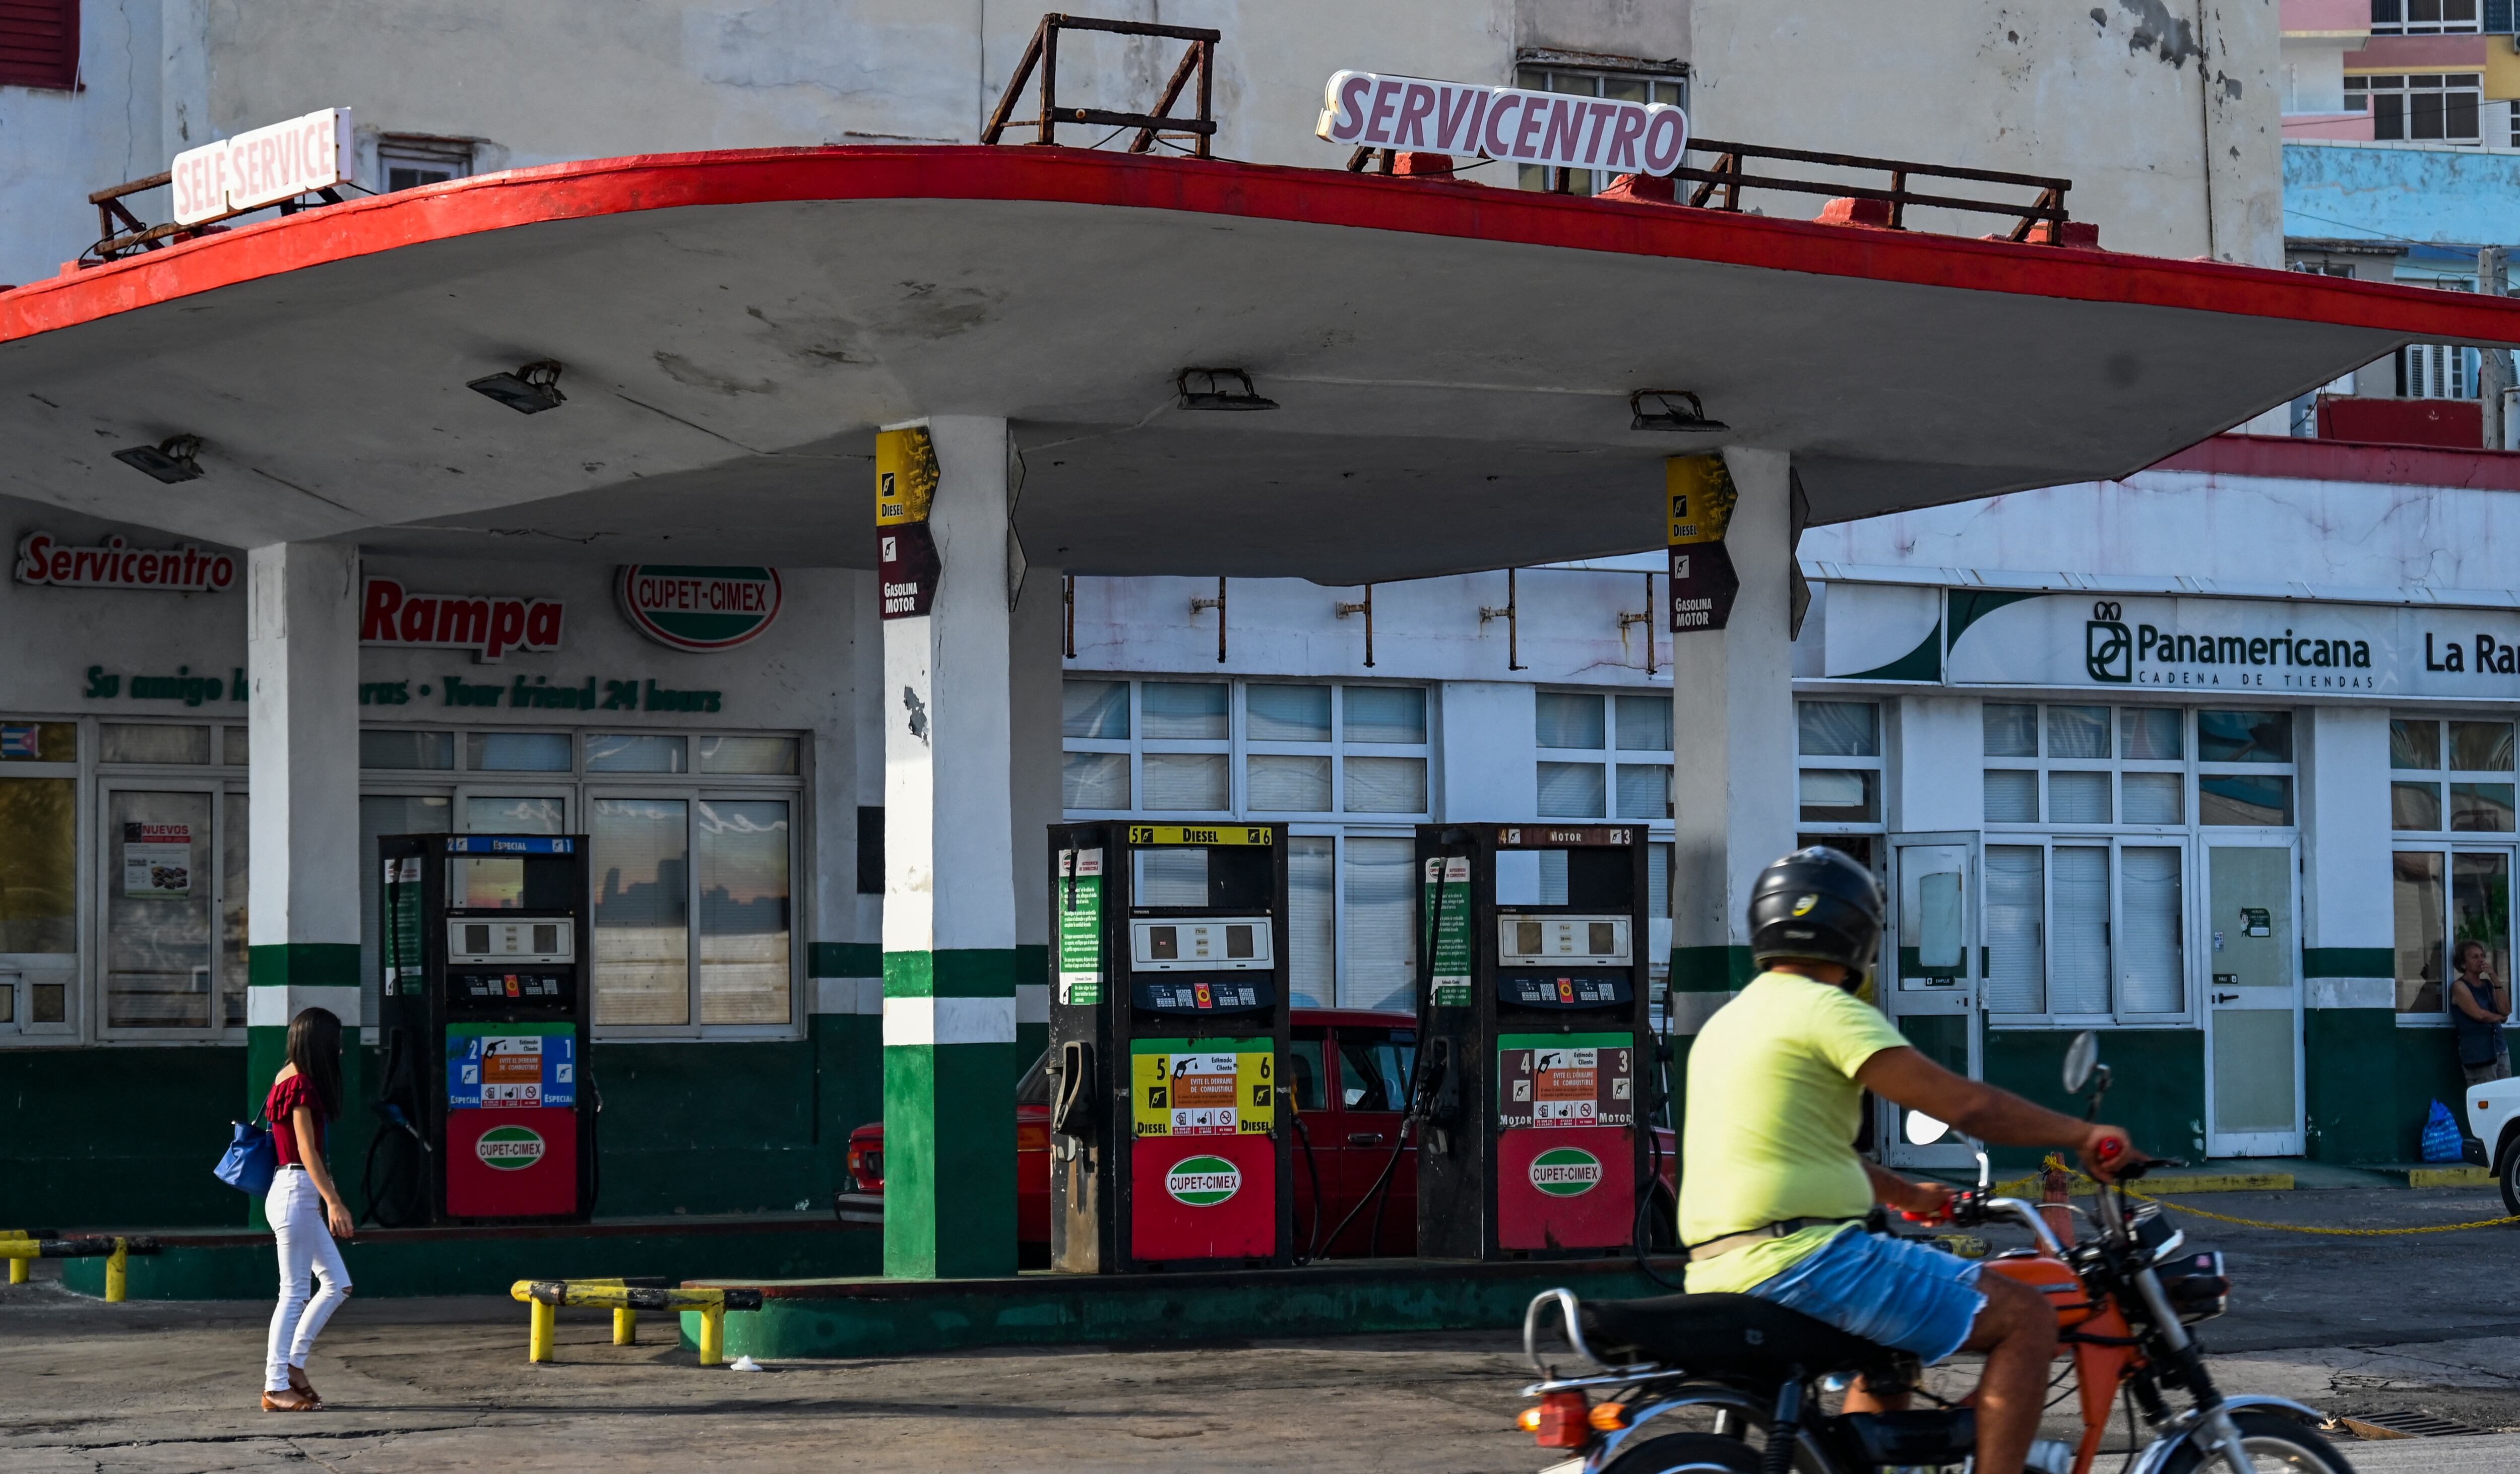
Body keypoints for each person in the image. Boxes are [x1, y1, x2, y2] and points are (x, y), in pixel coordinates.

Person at [1680, 848, 2145, 1474]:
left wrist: (1907, 1196)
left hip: (1722, 1263)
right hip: (1806, 1261)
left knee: (1888, 1359)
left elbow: (1804, 1149)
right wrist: (2085, 1137)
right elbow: (1969, 1106)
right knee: (2028, 1316)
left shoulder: (1729, 1022)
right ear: (1857, 932)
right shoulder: (1827, 1012)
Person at [261, 1006, 354, 1412]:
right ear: (321, 1042)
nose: (341, 1049)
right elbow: (306, 1149)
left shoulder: (287, 1076)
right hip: (297, 1190)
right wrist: (334, 1200)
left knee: (337, 1284)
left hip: (295, 1191)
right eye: (336, 1041)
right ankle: (275, 1383)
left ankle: (294, 1367)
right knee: (295, 1293)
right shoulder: (300, 1084)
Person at [2450, 939, 2511, 1085]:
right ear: (2463, 964)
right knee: (2486, 1097)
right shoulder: (2460, 986)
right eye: (2475, 957)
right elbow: (2479, 1014)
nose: (2481, 960)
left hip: (2499, 1047)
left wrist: (2495, 979)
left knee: (2505, 1094)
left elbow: (2506, 1010)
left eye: (2482, 956)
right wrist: (2501, 1018)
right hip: (2479, 1051)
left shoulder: (2488, 985)